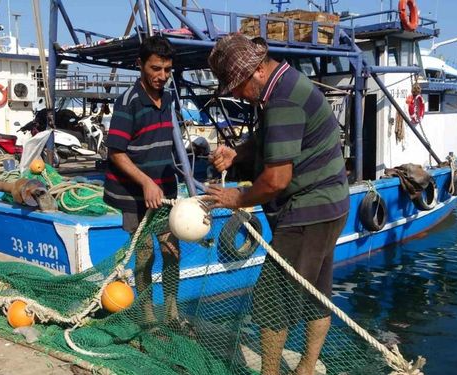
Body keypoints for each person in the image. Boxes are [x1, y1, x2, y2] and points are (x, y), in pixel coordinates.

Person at [205, 33, 350, 375]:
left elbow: (276, 181)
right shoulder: (286, 83)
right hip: (332, 206)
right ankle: (305, 369)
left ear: (255, 71)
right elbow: (273, 137)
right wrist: (238, 152)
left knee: (270, 301)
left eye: (237, 85)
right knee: (317, 293)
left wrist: (236, 198)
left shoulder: (282, 100)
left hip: (308, 211)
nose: (237, 94)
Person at [103, 35, 181, 330]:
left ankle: (172, 314)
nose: (162, 76)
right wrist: (146, 182)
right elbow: (116, 153)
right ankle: (149, 319)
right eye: (156, 68)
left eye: (167, 70)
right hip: (134, 193)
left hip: (165, 190)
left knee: (172, 251)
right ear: (140, 65)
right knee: (145, 254)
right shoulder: (128, 103)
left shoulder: (169, 97)